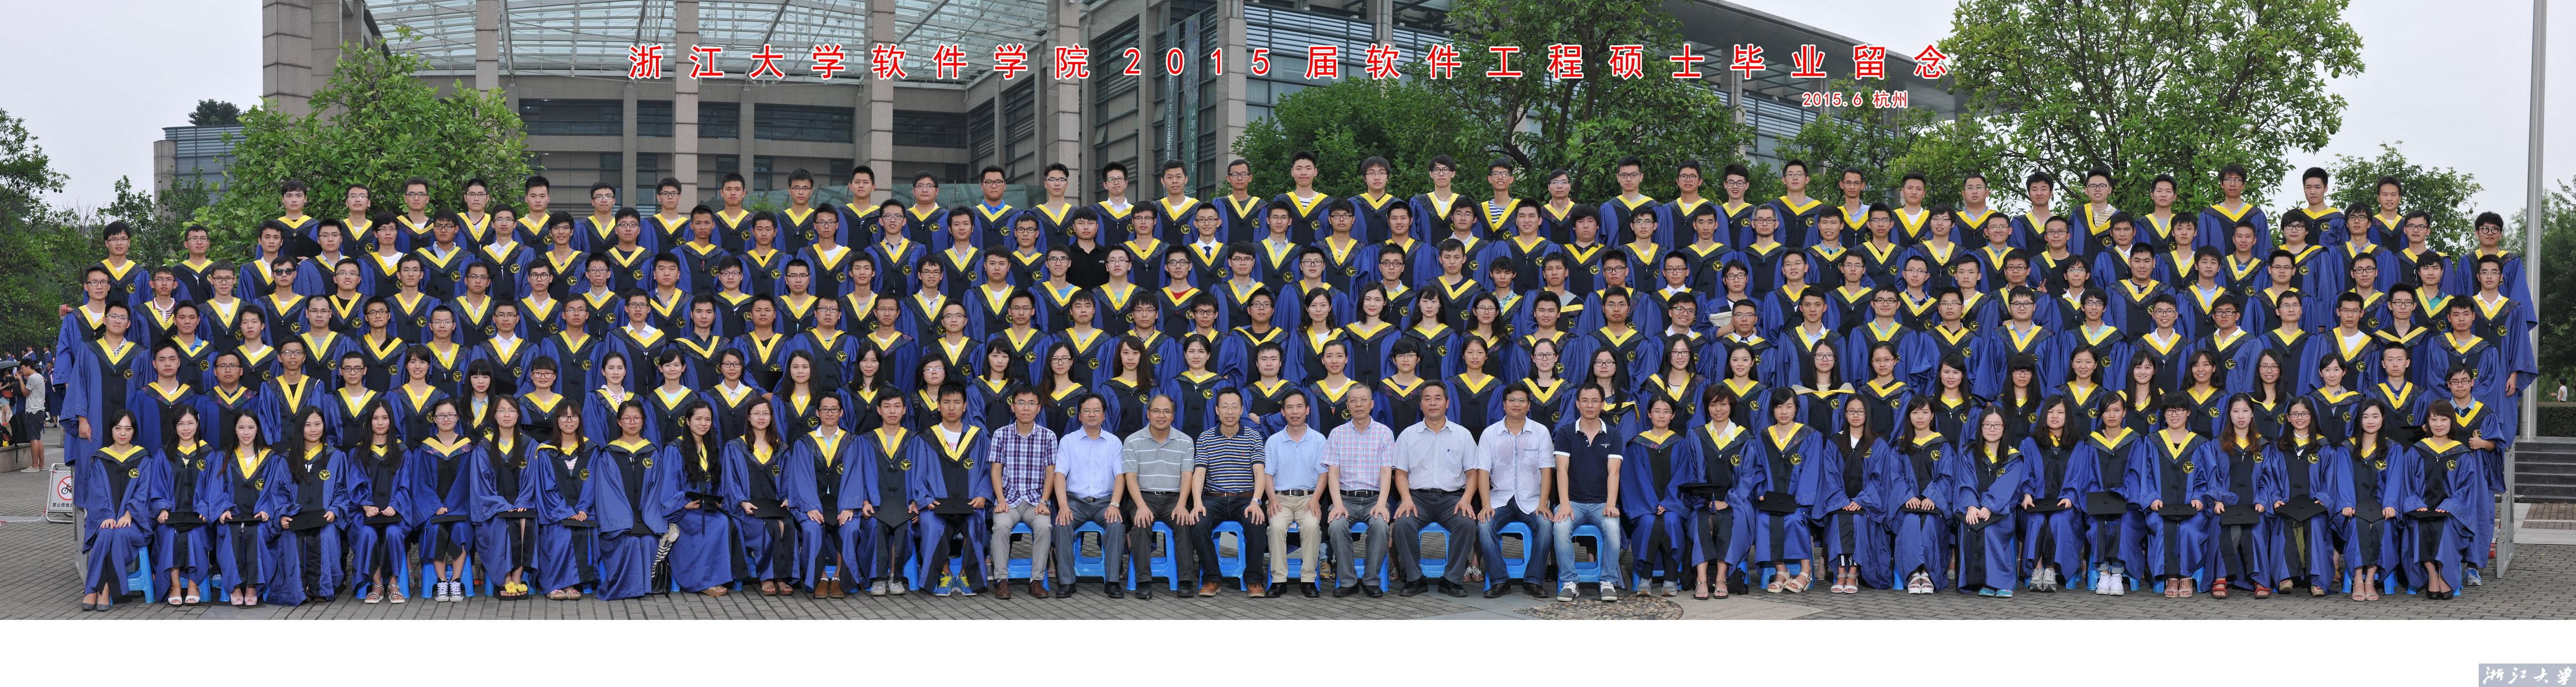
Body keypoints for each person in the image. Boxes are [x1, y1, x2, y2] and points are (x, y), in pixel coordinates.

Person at [1389, 384, 1481, 598]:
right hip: (1417, 498)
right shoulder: (1408, 435)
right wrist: (1405, 499)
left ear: (1447, 403)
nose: (1433, 403)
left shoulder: (1462, 435)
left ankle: (1452, 579)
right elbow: (1400, 473)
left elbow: (1472, 473)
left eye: (1438, 398)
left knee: (1467, 524)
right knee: (1402, 524)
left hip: (1452, 499)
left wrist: (1467, 499)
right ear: (1421, 404)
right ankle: (1415, 578)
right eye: (1427, 399)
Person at [592, 398, 679, 601]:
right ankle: (627, 588)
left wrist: (650, 521)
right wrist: (626, 522)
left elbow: (657, 490)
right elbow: (608, 494)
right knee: (630, 541)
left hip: (647, 518)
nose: (632, 422)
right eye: (627, 418)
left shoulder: (652, 452)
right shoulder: (608, 454)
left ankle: (644, 587)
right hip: (619, 521)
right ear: (619, 422)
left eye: (637, 418)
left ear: (643, 421)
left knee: (648, 540)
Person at [1476, 385, 1557, 599]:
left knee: (1545, 525)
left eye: (1522, 401)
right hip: (1499, 499)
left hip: (1532, 500)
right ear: (1504, 405)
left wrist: (1544, 503)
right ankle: (1500, 581)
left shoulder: (1541, 432)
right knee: (1484, 525)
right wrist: (1486, 504)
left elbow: (1547, 471)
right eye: (1512, 400)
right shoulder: (1490, 434)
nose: (1517, 404)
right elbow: (1483, 472)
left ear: (1529, 406)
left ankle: (1533, 580)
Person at [1191, 390, 1271, 597]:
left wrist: (1256, 502)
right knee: (1198, 524)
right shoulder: (1206, 438)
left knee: (1256, 523)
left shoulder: (1253, 437)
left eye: (1234, 407)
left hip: (1245, 499)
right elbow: (1199, 473)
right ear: (1217, 410)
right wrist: (1197, 502)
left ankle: (1254, 579)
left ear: (1241, 410)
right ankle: (1212, 578)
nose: (1230, 411)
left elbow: (1259, 473)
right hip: (1214, 498)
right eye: (1225, 407)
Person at [917, 383, 994, 597]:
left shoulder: (978, 437)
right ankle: (944, 575)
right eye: (947, 402)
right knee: (932, 525)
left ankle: (965, 575)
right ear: (938, 406)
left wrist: (983, 495)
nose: (952, 407)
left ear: (965, 406)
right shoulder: (926, 438)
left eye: (957, 402)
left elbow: (988, 470)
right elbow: (918, 474)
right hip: (937, 504)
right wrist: (925, 499)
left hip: (971, 503)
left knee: (977, 524)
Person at [1551, 385, 1626, 602]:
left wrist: (1611, 504)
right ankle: (1570, 582)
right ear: (1578, 404)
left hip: (1602, 503)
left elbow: (1614, 472)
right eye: (1585, 400)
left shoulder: (1614, 435)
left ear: (1603, 405)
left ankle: (1608, 581)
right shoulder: (1565, 433)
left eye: (1595, 401)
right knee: (1560, 527)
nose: (1590, 405)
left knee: (1612, 528)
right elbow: (1561, 470)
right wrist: (1565, 504)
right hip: (1572, 502)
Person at [1051, 393, 1130, 597]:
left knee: (1116, 526)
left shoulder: (1114, 442)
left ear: (1104, 415)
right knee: (1062, 525)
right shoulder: (1068, 441)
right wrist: (1063, 507)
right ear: (1079, 416)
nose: (1092, 414)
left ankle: (1112, 581)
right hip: (1075, 502)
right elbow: (1059, 475)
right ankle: (1067, 582)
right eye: (1087, 411)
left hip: (1105, 502)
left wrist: (1115, 504)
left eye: (1096, 411)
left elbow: (1120, 476)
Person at [1323, 385, 1396, 597]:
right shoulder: (1337, 434)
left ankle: (1371, 580)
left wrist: (1382, 504)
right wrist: (1337, 504)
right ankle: (1348, 581)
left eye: (1363, 400)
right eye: (1353, 401)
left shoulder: (1384, 433)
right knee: (1336, 525)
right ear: (1347, 405)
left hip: (1374, 499)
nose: (1359, 405)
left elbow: (1386, 472)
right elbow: (1333, 474)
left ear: (1372, 404)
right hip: (1345, 498)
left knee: (1381, 526)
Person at [985, 386, 1057, 598]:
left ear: (1039, 408)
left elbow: (1051, 473)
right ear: (1013, 406)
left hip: (1036, 501)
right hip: (1009, 500)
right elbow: (996, 471)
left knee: (1045, 527)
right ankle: (1001, 580)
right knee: (1000, 526)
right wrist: (1000, 500)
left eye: (1031, 403)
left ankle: (1036, 581)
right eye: (1021, 403)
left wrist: (1044, 501)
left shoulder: (1048, 437)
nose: (1026, 408)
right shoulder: (1001, 434)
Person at [1119, 393, 1194, 598]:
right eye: (1157, 411)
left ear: (1173, 415)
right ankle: (1143, 581)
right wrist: (1141, 506)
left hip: (1174, 499)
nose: (1162, 416)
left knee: (1184, 523)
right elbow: (1130, 478)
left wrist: (1182, 504)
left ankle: (1186, 580)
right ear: (1148, 414)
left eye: (1167, 412)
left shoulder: (1185, 441)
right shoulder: (1133, 441)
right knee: (1141, 524)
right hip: (1144, 497)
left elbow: (1187, 476)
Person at [663, 398, 741, 597]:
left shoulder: (712, 447)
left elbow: (720, 483)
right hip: (683, 510)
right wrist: (684, 504)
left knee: (727, 520)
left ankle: (718, 576)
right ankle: (704, 580)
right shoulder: (675, 448)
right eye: (698, 419)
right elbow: (670, 486)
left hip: (707, 506)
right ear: (688, 421)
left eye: (708, 419)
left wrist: (719, 501)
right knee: (718, 523)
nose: (703, 424)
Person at [1621, 394, 1696, 597]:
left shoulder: (1681, 444)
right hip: (1645, 505)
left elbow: (1684, 476)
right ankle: (1645, 577)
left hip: (1673, 504)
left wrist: (1668, 503)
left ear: (1673, 415)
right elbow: (1634, 479)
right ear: (1649, 414)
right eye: (1657, 411)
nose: (1661, 416)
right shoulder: (1637, 444)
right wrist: (1653, 504)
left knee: (1672, 521)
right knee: (1647, 522)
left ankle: (1671, 578)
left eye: (1666, 411)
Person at [472, 396, 542, 600]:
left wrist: (522, 502)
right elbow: (481, 486)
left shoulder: (529, 445)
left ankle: (518, 577)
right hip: (493, 510)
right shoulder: (484, 447)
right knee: (503, 524)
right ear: (494, 415)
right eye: (501, 411)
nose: (507, 415)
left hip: (522, 505)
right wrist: (502, 505)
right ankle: (505, 578)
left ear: (518, 415)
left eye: (511, 410)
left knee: (525, 520)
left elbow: (533, 480)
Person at [1262, 388, 1327, 597]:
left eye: (1299, 407)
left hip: (1308, 498)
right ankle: (1279, 580)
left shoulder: (1319, 440)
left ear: (1307, 410)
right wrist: (1272, 499)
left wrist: (1316, 499)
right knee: (1276, 527)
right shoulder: (1274, 441)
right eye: (1289, 408)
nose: (1295, 412)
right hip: (1280, 498)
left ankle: (1308, 580)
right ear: (1283, 412)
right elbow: (1267, 475)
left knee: (1311, 527)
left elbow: (1324, 474)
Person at [146, 405, 213, 606]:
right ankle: (175, 585)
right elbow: (156, 486)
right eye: (181, 424)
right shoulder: (163, 454)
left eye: (190, 423)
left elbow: (214, 488)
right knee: (169, 534)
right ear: (174, 427)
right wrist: (161, 508)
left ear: (198, 425)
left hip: (198, 517)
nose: (186, 429)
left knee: (195, 533)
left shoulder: (209, 454)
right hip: (171, 516)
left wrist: (205, 509)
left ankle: (193, 584)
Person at [211, 411, 278, 607]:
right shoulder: (225, 457)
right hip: (233, 517)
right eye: (241, 428)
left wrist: (267, 509)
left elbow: (276, 489)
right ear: (235, 430)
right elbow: (217, 488)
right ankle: (235, 587)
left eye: (251, 428)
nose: (246, 433)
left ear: (258, 430)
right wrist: (223, 509)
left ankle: (252, 586)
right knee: (231, 533)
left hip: (259, 518)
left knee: (257, 532)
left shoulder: (270, 458)